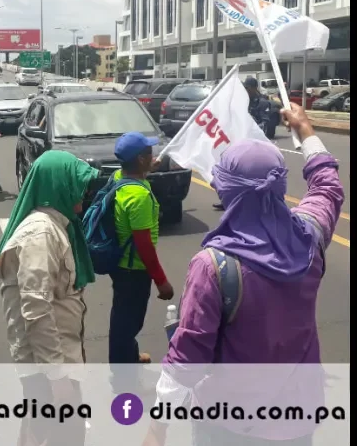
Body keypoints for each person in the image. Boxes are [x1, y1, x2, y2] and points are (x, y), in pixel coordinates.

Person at [142, 104, 344, 446]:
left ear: (228, 191)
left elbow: (188, 355)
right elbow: (327, 186)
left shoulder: (213, 266)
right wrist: (305, 129)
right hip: (298, 419)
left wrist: (159, 424)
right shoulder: (309, 237)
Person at [0, 151, 97, 446]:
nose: (84, 193)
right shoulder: (41, 234)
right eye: (78, 185)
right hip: (47, 361)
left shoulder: (56, 226)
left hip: (50, 357)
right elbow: (35, 309)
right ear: (59, 185)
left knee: (38, 428)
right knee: (66, 434)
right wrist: (57, 377)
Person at [109, 132, 174, 368]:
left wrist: (148, 168)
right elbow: (144, 246)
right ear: (139, 160)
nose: (153, 156)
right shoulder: (139, 197)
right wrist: (161, 281)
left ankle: (129, 356)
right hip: (134, 270)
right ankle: (122, 375)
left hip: (121, 265)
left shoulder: (120, 178)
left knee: (126, 319)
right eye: (149, 153)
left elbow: (136, 174)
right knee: (127, 324)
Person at [213, 76, 278, 211]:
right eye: (245, 88)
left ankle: (258, 202)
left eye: (248, 88)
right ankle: (228, 200)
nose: (245, 90)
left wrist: (250, 128)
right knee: (232, 173)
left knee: (253, 175)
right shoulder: (240, 102)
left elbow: (265, 124)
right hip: (237, 144)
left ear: (254, 88)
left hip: (254, 146)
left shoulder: (262, 103)